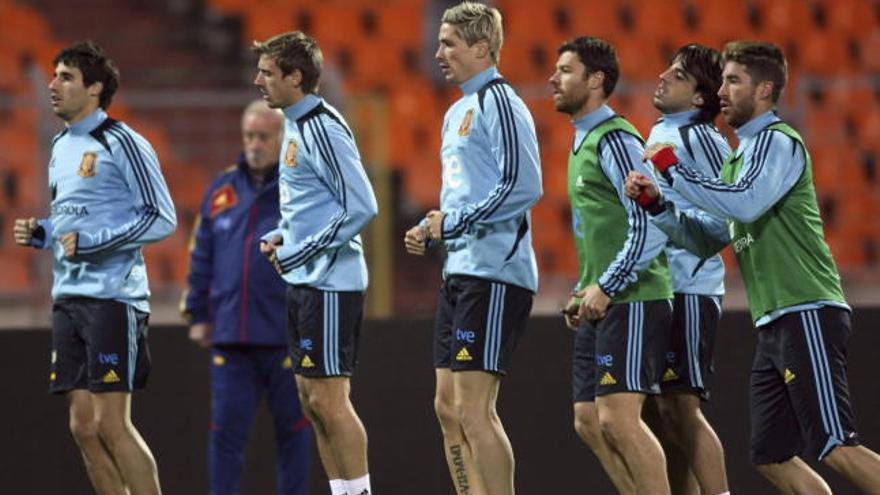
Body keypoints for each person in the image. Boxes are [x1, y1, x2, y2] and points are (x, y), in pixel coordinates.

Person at [628, 40, 880, 494]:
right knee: (772, 456)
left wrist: (672, 169)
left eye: (733, 80)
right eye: (722, 79)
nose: (722, 90)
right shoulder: (739, 157)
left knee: (837, 444)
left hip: (805, 307)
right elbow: (711, 238)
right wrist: (658, 206)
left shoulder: (777, 142)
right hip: (774, 318)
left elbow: (744, 205)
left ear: (764, 89)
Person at [13, 41, 175, 495]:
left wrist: (93, 244)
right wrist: (44, 234)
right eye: (54, 75)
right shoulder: (61, 144)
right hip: (69, 298)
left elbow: (161, 217)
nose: (53, 85)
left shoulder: (124, 142)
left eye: (65, 77)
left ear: (95, 88)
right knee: (82, 425)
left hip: (113, 297)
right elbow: (75, 222)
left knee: (110, 423)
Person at [403, 3, 542, 494]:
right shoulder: (458, 108)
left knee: (473, 408)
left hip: (496, 271)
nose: (437, 52)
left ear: (481, 47)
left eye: (449, 43)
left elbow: (524, 185)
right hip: (460, 268)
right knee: (446, 406)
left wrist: (454, 222)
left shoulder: (501, 101)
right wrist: (431, 227)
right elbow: (467, 191)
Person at [252, 31, 378, 495]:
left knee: (329, 399)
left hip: (330, 282)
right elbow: (314, 205)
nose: (257, 80)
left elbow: (362, 205)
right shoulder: (296, 124)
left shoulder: (323, 126)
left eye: (267, 72)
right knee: (311, 400)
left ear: (295, 77)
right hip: (306, 279)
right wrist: (283, 235)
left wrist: (301, 250)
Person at [548, 36, 673, 494]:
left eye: (565, 70)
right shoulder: (582, 140)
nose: (552, 79)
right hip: (601, 295)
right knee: (588, 421)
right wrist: (586, 288)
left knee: (618, 420)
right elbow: (599, 230)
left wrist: (608, 284)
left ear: (595, 80)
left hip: (634, 296)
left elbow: (651, 223)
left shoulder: (616, 138)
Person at [181, 100, 312, 495]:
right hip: (231, 336)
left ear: (281, 138)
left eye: (263, 136)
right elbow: (201, 252)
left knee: (295, 431)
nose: (254, 144)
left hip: (285, 333)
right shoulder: (221, 189)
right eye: (248, 136)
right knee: (225, 434)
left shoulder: (299, 187)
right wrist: (198, 313)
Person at [642, 43, 731, 495]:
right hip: (657, 286)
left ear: (700, 97)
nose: (662, 76)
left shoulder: (702, 140)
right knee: (657, 412)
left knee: (681, 406)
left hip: (689, 287)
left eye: (677, 75)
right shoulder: (661, 131)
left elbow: (725, 217)